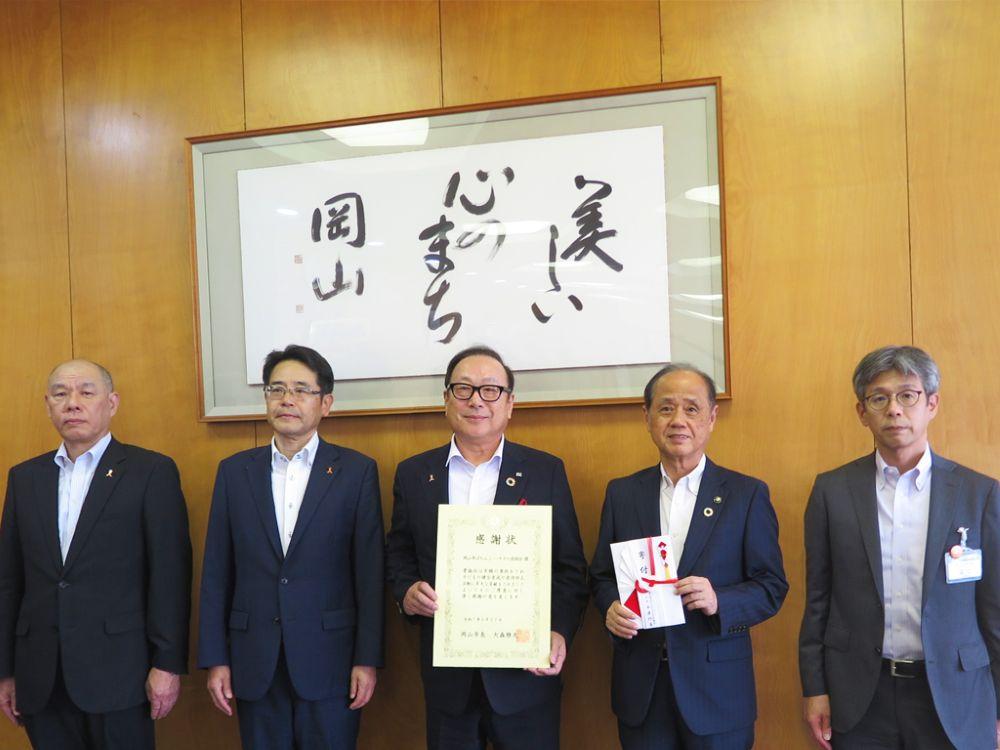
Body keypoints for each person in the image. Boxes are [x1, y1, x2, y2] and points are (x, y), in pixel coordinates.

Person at [385, 345, 588, 749]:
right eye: (464, 389)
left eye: (491, 390)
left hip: (526, 676)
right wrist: (407, 592)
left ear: (510, 403)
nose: (477, 400)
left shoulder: (545, 471)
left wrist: (558, 630)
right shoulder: (414, 474)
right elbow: (399, 554)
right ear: (446, 399)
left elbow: (569, 567)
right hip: (448, 680)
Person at [800, 345, 1000, 749]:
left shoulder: (979, 494)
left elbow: (994, 607)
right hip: (861, 693)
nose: (894, 409)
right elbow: (818, 599)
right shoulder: (832, 491)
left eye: (908, 395)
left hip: (955, 693)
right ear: (862, 412)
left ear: (932, 404)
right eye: (879, 398)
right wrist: (815, 687)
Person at [590, 363, 787, 750]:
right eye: (666, 408)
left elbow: (772, 587)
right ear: (647, 417)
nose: (678, 420)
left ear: (711, 418)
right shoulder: (622, 494)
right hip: (642, 689)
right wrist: (610, 606)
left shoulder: (746, 494)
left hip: (717, 691)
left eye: (692, 408)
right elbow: (600, 576)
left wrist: (719, 601)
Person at [198, 344, 384, 749]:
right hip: (254, 659)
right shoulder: (234, 472)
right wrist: (216, 659)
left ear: (325, 403)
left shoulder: (356, 472)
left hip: (331, 659)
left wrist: (367, 659)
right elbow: (216, 572)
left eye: (301, 390)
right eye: (277, 389)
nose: (287, 399)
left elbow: (369, 576)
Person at [0, 359, 192, 749]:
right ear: (48, 406)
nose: (73, 403)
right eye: (60, 394)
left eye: (86, 392)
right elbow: (9, 581)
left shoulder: (150, 471)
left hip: (121, 673)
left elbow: (170, 575)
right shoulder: (24, 478)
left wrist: (167, 664)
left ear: (112, 403)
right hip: (41, 677)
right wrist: (6, 670)